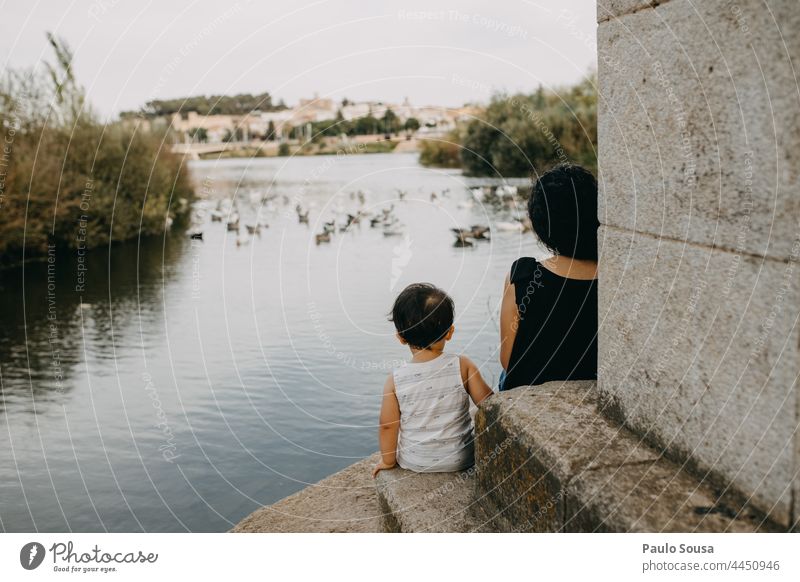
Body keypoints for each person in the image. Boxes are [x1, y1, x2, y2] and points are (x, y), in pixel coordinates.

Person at [372, 283, 493, 477]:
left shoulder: (395, 380)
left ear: (401, 338)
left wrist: (388, 461)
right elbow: (489, 404)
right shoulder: (463, 366)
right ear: (450, 332)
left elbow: (388, 425)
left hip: (415, 461)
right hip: (461, 459)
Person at [499, 164, 599, 391]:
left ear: (541, 222)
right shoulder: (615, 277)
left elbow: (508, 360)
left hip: (531, 394)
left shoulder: (523, 276)